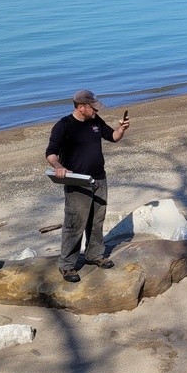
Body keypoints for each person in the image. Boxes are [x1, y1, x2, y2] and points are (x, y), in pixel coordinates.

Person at [46, 89, 130, 283]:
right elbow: (51, 152)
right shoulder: (64, 125)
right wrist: (58, 167)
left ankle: (94, 255)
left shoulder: (95, 121)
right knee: (75, 223)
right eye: (93, 107)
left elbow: (113, 137)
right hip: (77, 181)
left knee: (97, 220)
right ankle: (67, 265)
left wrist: (122, 129)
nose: (96, 111)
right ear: (81, 107)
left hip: (99, 178)